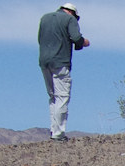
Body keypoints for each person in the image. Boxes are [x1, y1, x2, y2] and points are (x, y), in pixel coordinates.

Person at [38, 3, 89, 142]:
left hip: (44, 62)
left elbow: (40, 39)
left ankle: (53, 130)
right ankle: (58, 134)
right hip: (60, 62)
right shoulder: (69, 19)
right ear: (72, 13)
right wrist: (84, 43)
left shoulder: (45, 18)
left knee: (52, 96)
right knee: (62, 96)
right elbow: (76, 38)